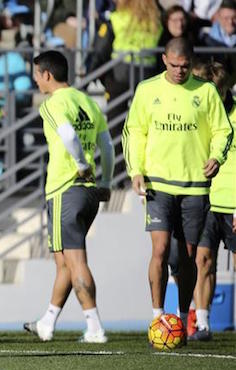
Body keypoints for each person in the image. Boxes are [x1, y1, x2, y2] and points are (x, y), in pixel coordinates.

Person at [122, 38, 233, 325]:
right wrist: (136, 170)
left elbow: (223, 131)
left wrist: (216, 157)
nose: (179, 71)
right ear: (164, 60)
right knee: (159, 250)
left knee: (188, 257)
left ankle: (183, 318)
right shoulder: (147, 90)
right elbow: (134, 131)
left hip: (194, 185)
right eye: (174, 66)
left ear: (190, 64)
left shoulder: (206, 92)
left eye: (184, 67)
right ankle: (158, 318)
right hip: (158, 184)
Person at [22, 50, 114, 343]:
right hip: (88, 192)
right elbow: (107, 145)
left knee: (74, 260)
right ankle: (47, 322)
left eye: (37, 75)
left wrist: (82, 166)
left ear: (46, 75)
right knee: (63, 261)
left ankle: (95, 327)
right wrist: (106, 181)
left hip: (65, 188)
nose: (36, 81)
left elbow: (69, 136)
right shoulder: (86, 100)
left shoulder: (52, 104)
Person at [191, 62, 236, 341]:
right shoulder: (200, 114)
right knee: (202, 261)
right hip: (205, 201)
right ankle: (203, 324)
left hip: (232, 201)